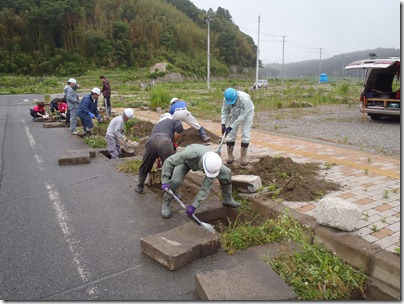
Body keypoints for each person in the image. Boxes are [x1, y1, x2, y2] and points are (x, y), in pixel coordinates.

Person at [160, 144, 240, 219]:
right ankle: (166, 201)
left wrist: (194, 206)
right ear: (202, 166)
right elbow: (169, 161)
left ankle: (227, 199)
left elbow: (206, 188)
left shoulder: (213, 164)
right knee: (175, 181)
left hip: (205, 162)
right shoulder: (189, 153)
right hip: (186, 162)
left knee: (226, 172)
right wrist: (165, 180)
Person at [135, 113, 184, 195]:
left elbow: (155, 142)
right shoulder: (176, 121)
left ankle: (140, 187)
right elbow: (178, 132)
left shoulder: (158, 125)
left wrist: (158, 155)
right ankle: (172, 192)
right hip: (165, 140)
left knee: (145, 164)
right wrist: (172, 143)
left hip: (151, 141)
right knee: (170, 166)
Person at [221, 88, 255, 166]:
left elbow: (242, 116)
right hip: (235, 114)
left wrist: (230, 127)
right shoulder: (226, 99)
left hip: (247, 114)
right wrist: (223, 124)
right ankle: (230, 155)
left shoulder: (244, 99)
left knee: (245, 133)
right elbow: (225, 111)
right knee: (231, 134)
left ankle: (243, 157)